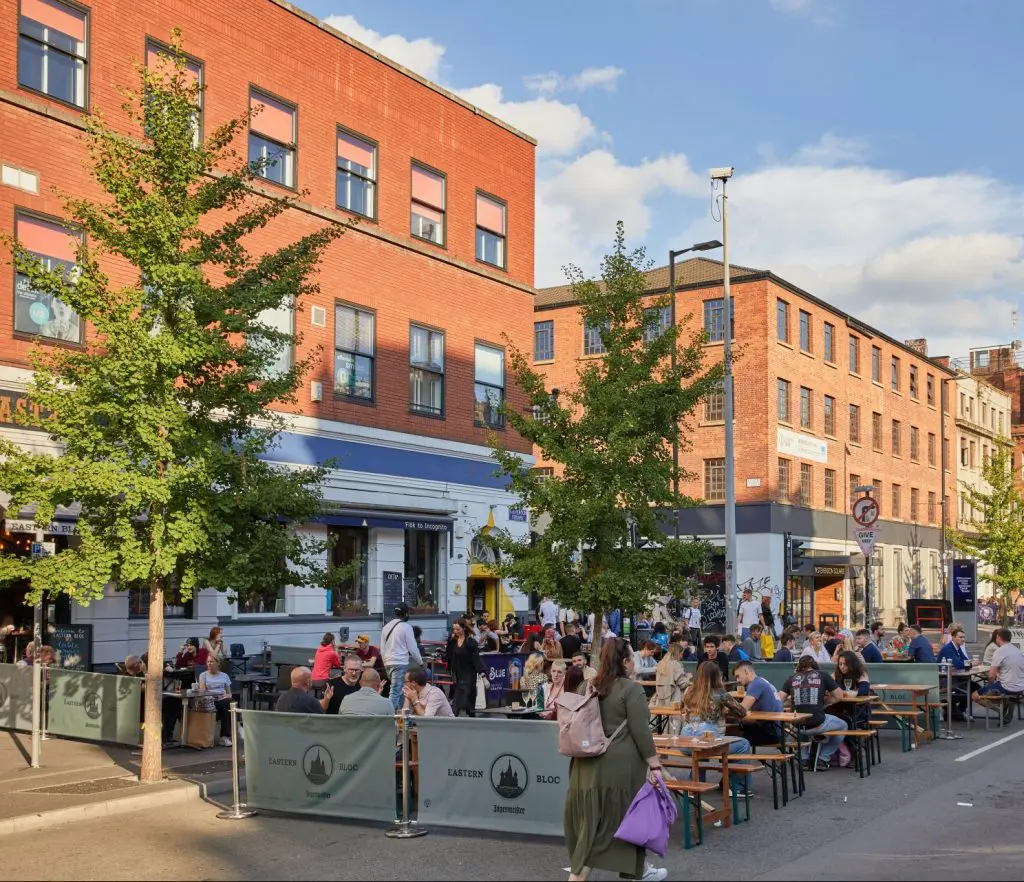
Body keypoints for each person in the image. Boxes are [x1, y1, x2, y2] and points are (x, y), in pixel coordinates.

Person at [563, 638, 668, 882]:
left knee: (590, 824)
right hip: (618, 769)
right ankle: (620, 871)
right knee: (614, 825)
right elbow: (642, 732)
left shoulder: (587, 687)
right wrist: (655, 764)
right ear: (624, 662)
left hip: (584, 765)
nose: (634, 662)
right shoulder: (631, 690)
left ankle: (636, 871)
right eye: (631, 658)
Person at [680, 660, 754, 797]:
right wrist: (725, 709)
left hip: (685, 740)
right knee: (743, 744)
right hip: (708, 739)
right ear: (716, 676)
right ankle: (737, 787)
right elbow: (741, 712)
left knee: (699, 748)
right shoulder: (720, 693)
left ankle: (695, 783)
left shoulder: (688, 691)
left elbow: (683, 710)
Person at [777, 656, 848, 770]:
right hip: (817, 723)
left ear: (799, 667)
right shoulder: (823, 675)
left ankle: (804, 759)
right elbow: (839, 696)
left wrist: (795, 701)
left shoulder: (792, 678)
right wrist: (824, 702)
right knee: (844, 725)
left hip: (796, 725)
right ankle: (823, 758)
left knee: (801, 726)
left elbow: (778, 700)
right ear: (815, 665)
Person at [126, 655, 182, 744]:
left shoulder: (146, 661)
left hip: (149, 701)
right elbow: (152, 687)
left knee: (174, 702)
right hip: (143, 704)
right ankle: (166, 736)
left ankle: (167, 735)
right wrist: (145, 672)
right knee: (172, 705)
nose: (135, 672)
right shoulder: (132, 674)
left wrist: (165, 665)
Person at [381, 602, 423, 712]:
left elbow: (382, 648)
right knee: (395, 691)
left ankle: (401, 715)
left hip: (388, 662)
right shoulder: (406, 627)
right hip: (400, 662)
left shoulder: (386, 627)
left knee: (399, 690)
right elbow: (413, 648)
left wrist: (385, 661)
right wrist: (420, 662)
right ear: (406, 613)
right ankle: (389, 716)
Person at [734, 660, 784, 746]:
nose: (737, 680)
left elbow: (741, 710)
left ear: (746, 672)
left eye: (738, 676)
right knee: (740, 726)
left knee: (731, 740)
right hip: (777, 729)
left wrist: (726, 708)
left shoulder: (755, 685)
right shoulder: (762, 681)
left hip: (770, 732)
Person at [983, 628, 1024, 722]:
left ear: (998, 637)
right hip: (1021, 685)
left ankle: (1000, 709)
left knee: (974, 695)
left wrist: (990, 685)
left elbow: (991, 676)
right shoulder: (1017, 650)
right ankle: (1005, 708)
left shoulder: (999, 651)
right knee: (1008, 686)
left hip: (1007, 686)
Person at [446, 618, 485, 716]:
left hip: (468, 673)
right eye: (454, 629)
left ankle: (452, 718)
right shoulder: (453, 642)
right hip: (457, 673)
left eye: (458, 629)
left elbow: (476, 659)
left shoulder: (471, 643)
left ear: (463, 628)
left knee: (459, 696)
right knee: (467, 696)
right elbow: (449, 656)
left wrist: (483, 675)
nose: (455, 631)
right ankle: (471, 714)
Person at [197, 656, 233, 747]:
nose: (209, 663)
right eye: (208, 661)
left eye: (211, 662)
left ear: (218, 663)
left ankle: (225, 736)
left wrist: (224, 696)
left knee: (227, 704)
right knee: (227, 705)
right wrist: (214, 695)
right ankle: (225, 737)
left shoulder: (224, 676)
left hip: (223, 699)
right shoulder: (203, 675)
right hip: (210, 701)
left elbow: (229, 694)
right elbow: (203, 692)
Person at [652, 633, 690, 718]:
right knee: (673, 723)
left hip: (660, 699)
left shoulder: (661, 663)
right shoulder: (676, 665)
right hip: (674, 699)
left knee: (662, 721)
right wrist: (688, 678)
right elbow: (683, 684)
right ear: (678, 653)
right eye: (681, 653)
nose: (682, 656)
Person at [832, 651, 872, 729]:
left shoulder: (860, 673)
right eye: (840, 664)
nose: (842, 667)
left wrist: (854, 693)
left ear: (852, 664)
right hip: (840, 708)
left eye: (845, 664)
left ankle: (849, 740)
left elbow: (864, 691)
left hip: (858, 710)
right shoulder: (836, 674)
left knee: (844, 718)